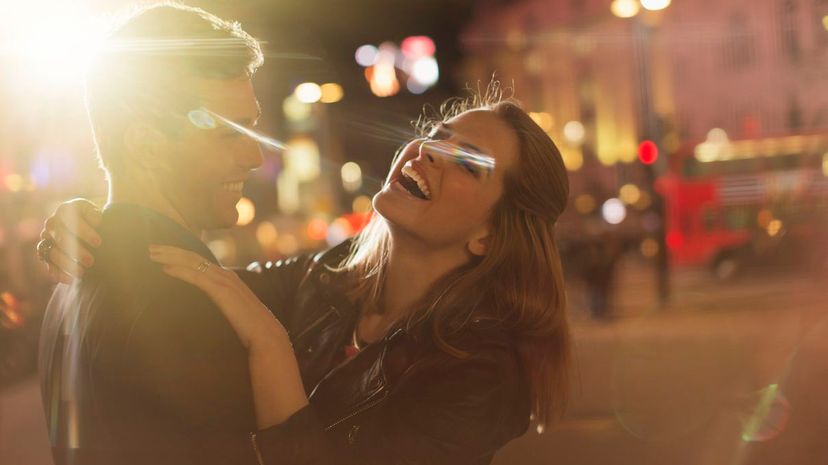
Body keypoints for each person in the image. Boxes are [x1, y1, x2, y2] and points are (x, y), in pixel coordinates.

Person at [40, 15, 572, 465]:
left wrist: (270, 345)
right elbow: (192, 278)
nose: (428, 152)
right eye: (437, 137)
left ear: (489, 234)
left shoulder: (480, 374)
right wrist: (95, 219)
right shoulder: (325, 279)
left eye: (466, 165)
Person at [37, 4, 268, 464]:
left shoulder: (72, 288)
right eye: (228, 134)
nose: (255, 156)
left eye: (253, 128)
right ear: (145, 144)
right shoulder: (183, 302)